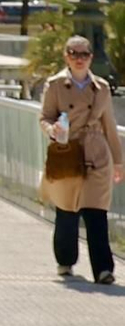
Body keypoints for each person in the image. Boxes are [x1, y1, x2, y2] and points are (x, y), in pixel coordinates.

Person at [39, 33, 123, 283]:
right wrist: (51, 130)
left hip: (97, 155)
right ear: (66, 57)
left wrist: (118, 161)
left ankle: (103, 270)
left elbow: (110, 125)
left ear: (91, 58)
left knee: (97, 213)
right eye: (74, 54)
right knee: (67, 211)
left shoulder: (102, 88)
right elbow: (44, 117)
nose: (79, 59)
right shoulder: (54, 85)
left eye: (84, 54)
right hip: (67, 153)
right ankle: (65, 261)